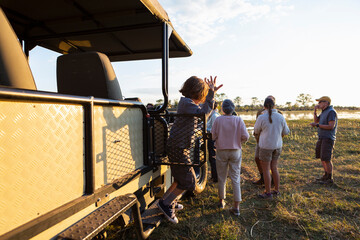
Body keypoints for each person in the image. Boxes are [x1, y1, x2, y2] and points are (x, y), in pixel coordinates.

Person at [157, 76, 223, 224]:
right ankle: (166, 204)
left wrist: (211, 94)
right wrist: (211, 94)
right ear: (197, 92)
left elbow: (205, 112)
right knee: (189, 182)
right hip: (179, 147)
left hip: (180, 146)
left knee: (181, 179)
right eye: (203, 94)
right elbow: (204, 114)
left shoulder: (187, 103)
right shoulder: (187, 103)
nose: (204, 97)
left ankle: (167, 201)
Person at [211, 99, 249, 216]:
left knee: (222, 176)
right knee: (235, 177)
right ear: (233, 109)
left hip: (221, 151)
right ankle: (236, 207)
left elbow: (213, 136)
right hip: (235, 151)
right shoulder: (238, 120)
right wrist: (239, 142)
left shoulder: (218, 120)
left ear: (222, 109)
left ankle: (221, 201)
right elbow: (246, 136)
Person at [254, 98, 290, 199]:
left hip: (265, 146)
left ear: (264, 106)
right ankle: (277, 190)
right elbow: (286, 131)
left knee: (266, 170)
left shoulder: (261, 117)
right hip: (277, 146)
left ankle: (268, 192)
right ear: (274, 105)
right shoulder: (280, 117)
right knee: (274, 168)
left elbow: (256, 131)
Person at [252, 95, 282, 185]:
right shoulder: (260, 113)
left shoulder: (279, 114)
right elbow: (257, 126)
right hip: (261, 139)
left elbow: (281, 129)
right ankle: (263, 178)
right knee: (257, 158)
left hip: (273, 142)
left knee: (271, 164)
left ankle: (270, 181)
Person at [309, 96, 337, 184]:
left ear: (326, 103)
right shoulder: (324, 112)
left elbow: (331, 126)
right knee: (322, 157)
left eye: (320, 102)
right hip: (321, 137)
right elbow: (316, 120)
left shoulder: (331, 112)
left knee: (327, 158)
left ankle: (329, 178)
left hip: (328, 138)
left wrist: (317, 126)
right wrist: (315, 111)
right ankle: (325, 176)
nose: (319, 104)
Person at [207, 101, 220, 182]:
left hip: (213, 139)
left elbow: (215, 130)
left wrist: (205, 129)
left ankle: (215, 178)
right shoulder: (212, 115)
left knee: (213, 157)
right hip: (211, 138)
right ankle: (214, 176)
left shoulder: (215, 116)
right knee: (211, 158)